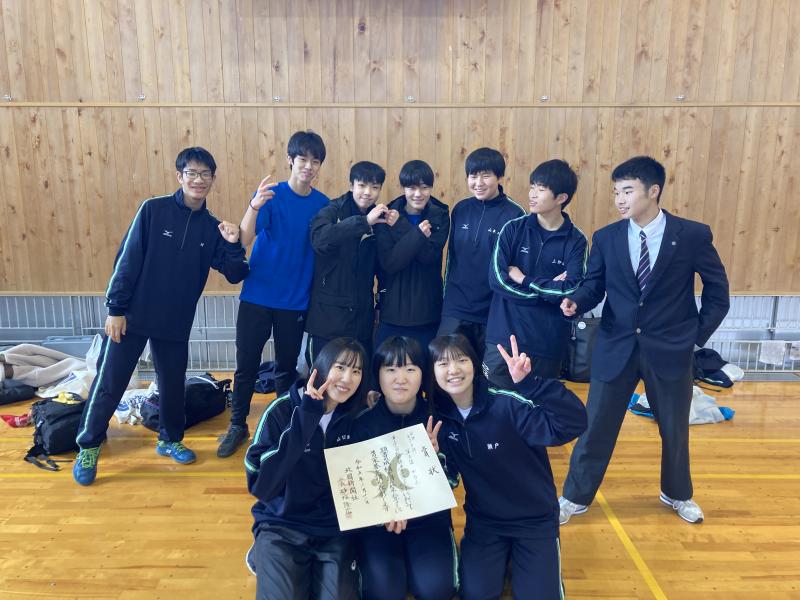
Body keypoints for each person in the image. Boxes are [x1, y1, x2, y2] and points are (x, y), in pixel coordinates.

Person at [558, 156, 730, 525]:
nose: (619, 199)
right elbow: (594, 285)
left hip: (670, 348)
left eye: (627, 191)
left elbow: (718, 292)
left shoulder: (692, 235)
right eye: (616, 192)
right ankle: (574, 497)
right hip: (616, 346)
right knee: (596, 426)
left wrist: (695, 338)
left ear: (653, 191)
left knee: (674, 429)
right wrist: (577, 301)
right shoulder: (607, 237)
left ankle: (677, 493)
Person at [73, 147, 249, 486]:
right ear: (180, 176)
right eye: (192, 173)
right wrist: (115, 309)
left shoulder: (211, 228)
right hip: (132, 317)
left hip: (175, 322)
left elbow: (235, 273)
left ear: (212, 180)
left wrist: (232, 243)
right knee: (110, 382)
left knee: (172, 385)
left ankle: (170, 439)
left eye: (205, 174)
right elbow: (127, 259)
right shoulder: (153, 210)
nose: (198, 180)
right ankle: (89, 445)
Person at [430, 333, 587, 600]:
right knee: (476, 594)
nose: (453, 370)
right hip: (485, 523)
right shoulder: (440, 421)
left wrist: (531, 384)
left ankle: (522, 562)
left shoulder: (507, 404)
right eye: (443, 363)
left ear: (475, 364)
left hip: (535, 522)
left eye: (461, 360)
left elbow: (574, 423)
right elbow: (450, 480)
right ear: (432, 372)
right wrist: (433, 460)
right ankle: (506, 561)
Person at [217, 130, 330, 458]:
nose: (308, 166)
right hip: (257, 296)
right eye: (302, 159)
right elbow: (244, 238)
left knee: (286, 368)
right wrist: (253, 205)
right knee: (246, 365)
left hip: (295, 301)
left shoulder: (323, 205)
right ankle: (238, 425)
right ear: (290, 161)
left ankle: (283, 424)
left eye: (315, 161)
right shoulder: (271, 195)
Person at [245, 337, 368, 600]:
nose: (347, 378)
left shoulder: (359, 416)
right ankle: (263, 551)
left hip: (333, 529)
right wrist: (306, 418)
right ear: (320, 366)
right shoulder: (282, 410)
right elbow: (261, 485)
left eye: (356, 371)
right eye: (340, 367)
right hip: (281, 525)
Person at [351, 336, 457, 600]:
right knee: (383, 593)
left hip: (428, 521)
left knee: (436, 590)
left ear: (423, 373)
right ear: (377, 375)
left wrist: (434, 458)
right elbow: (357, 488)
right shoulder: (362, 424)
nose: (401, 378)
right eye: (391, 369)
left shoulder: (438, 421)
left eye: (410, 369)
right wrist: (383, 512)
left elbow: (453, 481)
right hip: (379, 525)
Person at [484, 159, 587, 386]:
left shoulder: (577, 240)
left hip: (547, 343)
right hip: (503, 336)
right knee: (494, 403)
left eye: (541, 189)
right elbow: (498, 279)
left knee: (538, 404)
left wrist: (524, 279)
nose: (532, 194)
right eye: (532, 187)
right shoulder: (513, 229)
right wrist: (546, 292)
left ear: (561, 198)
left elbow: (571, 289)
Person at [305, 161, 398, 363]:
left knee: (358, 375)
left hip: (361, 318)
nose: (368, 192)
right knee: (323, 375)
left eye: (374, 187)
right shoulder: (333, 210)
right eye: (362, 185)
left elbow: (385, 267)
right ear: (351, 185)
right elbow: (319, 240)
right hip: (328, 318)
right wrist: (364, 223)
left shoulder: (380, 218)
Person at [438, 148, 524, 361]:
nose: (478, 182)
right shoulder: (460, 209)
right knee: (445, 365)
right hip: (455, 307)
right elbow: (452, 259)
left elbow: (514, 268)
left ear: (499, 177)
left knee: (485, 373)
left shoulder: (515, 215)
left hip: (492, 310)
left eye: (486, 176)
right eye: (473, 176)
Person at [374, 161, 450, 353]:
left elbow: (429, 256)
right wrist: (418, 234)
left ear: (431, 188)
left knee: (425, 369)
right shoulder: (386, 215)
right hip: (393, 312)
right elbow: (390, 263)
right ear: (403, 188)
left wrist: (401, 226)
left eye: (424, 188)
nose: (418, 194)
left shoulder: (440, 215)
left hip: (428, 312)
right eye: (412, 188)